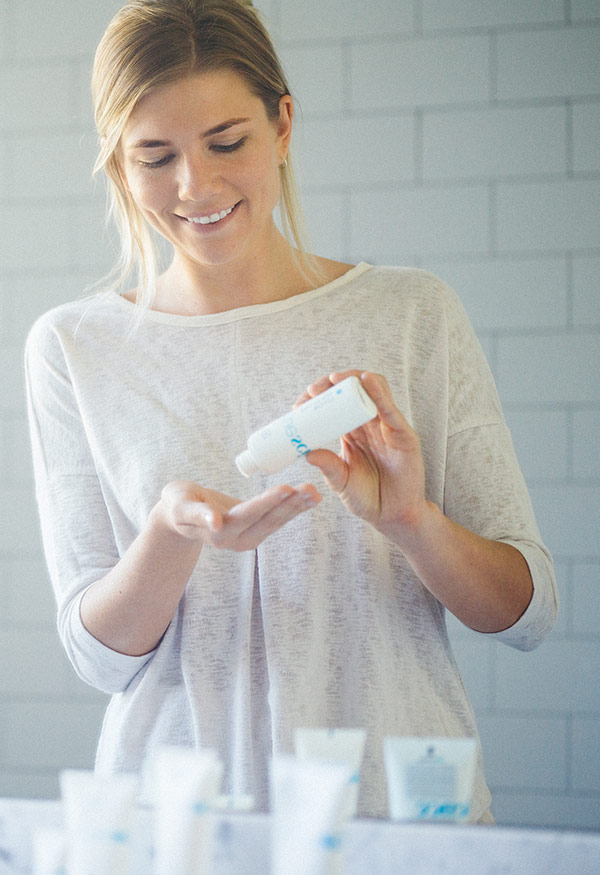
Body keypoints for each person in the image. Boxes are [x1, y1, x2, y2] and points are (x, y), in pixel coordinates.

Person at [25, 0, 557, 821]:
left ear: (282, 124)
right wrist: (170, 532)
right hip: (180, 825)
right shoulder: (73, 347)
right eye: (154, 156)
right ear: (117, 166)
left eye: (226, 141)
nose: (194, 186)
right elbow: (98, 657)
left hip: (398, 819)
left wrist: (411, 519)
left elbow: (526, 613)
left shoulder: (410, 313)